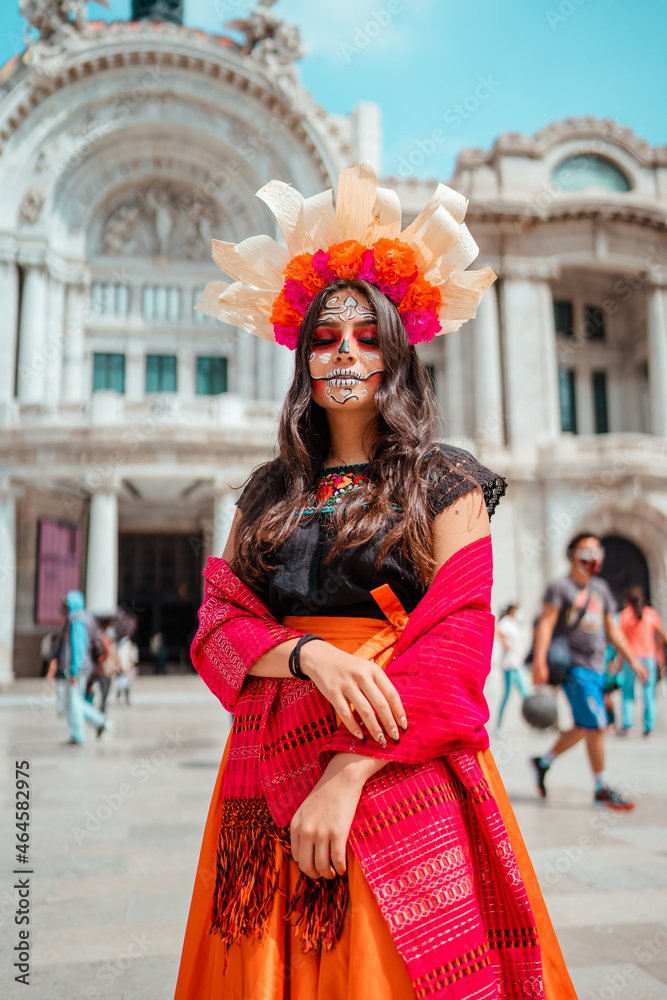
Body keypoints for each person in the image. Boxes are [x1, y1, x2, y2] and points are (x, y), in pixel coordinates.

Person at [174, 165, 576, 999]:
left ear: (395, 350)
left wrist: (350, 770)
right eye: (325, 337)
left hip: (398, 755)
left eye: (366, 335)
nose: (346, 352)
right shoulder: (266, 492)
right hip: (263, 772)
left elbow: (459, 639)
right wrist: (309, 659)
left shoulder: (445, 480)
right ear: (302, 357)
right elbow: (217, 626)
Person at [531, 534, 648, 809]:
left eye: (598, 552)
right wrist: (539, 662)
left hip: (597, 668)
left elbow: (613, 630)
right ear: (573, 554)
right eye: (588, 551)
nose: (594, 557)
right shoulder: (560, 587)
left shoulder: (602, 589)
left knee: (586, 725)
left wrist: (633, 660)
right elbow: (545, 625)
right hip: (573, 666)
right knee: (596, 723)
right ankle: (601, 787)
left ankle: (543, 761)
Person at [46, 591, 111, 745]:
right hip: (82, 666)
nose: (62, 607)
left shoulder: (76, 621)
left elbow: (77, 647)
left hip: (78, 667)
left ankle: (80, 734)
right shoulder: (83, 619)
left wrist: (74, 670)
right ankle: (98, 721)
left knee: (73, 702)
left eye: (65, 604)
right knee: (74, 701)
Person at [616, 586, 665, 738]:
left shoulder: (623, 616)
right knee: (649, 694)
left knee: (627, 694)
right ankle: (649, 729)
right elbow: (663, 635)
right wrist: (655, 649)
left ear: (627, 600)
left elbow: (619, 640)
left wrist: (617, 660)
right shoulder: (650, 614)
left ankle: (628, 726)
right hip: (648, 658)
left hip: (630, 659)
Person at [495, 603, 529, 735]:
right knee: (507, 696)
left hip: (516, 664)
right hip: (509, 666)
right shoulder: (505, 622)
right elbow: (497, 630)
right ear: (512, 611)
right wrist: (505, 643)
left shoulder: (513, 623)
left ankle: (533, 723)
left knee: (525, 695)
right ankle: (499, 726)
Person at [116, 632, 138, 705]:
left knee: (126, 684)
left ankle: (127, 698)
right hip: (121, 668)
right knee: (120, 683)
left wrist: (130, 667)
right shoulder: (120, 646)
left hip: (127, 667)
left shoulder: (130, 646)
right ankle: (119, 697)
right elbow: (118, 657)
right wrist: (121, 667)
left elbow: (132, 658)